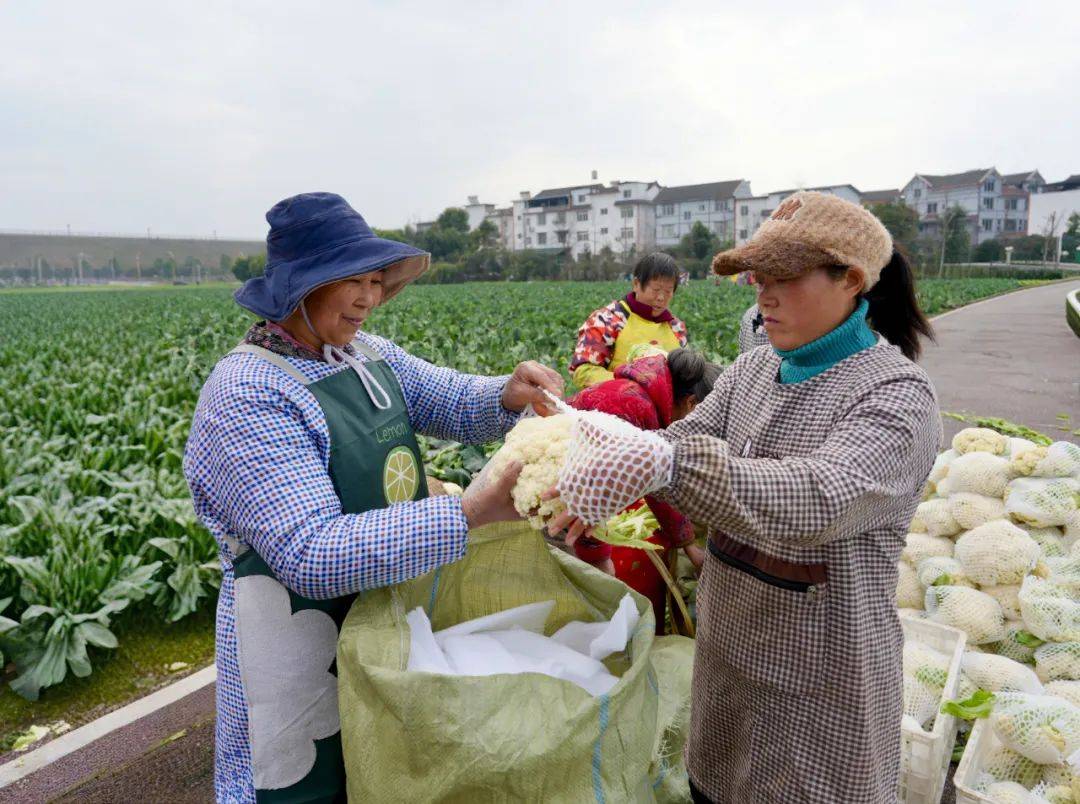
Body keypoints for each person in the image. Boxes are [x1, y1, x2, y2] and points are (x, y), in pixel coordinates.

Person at [549, 192, 939, 803]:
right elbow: (682, 442)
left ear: (852, 281)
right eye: (760, 278)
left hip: (821, 680)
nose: (765, 295)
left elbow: (823, 497)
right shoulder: (753, 371)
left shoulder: (896, 395)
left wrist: (664, 459)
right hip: (729, 661)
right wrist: (600, 471)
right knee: (717, 786)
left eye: (785, 278)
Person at [183, 192, 562, 802]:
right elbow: (311, 552)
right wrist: (467, 513)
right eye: (349, 282)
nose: (369, 297)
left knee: (379, 767)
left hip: (382, 614)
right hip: (295, 638)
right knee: (307, 778)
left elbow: (448, 398)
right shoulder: (248, 393)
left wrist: (508, 394)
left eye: (375, 279)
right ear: (297, 290)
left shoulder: (366, 355)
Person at [567, 348, 718, 630]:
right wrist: (598, 558)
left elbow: (650, 479)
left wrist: (687, 544)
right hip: (560, 502)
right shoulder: (634, 405)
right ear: (691, 404)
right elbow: (595, 490)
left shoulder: (643, 399)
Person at [569, 252, 688, 389]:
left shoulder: (676, 327)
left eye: (668, 291)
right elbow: (583, 370)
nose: (661, 297)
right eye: (656, 289)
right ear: (636, 284)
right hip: (613, 405)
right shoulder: (607, 320)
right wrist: (631, 386)